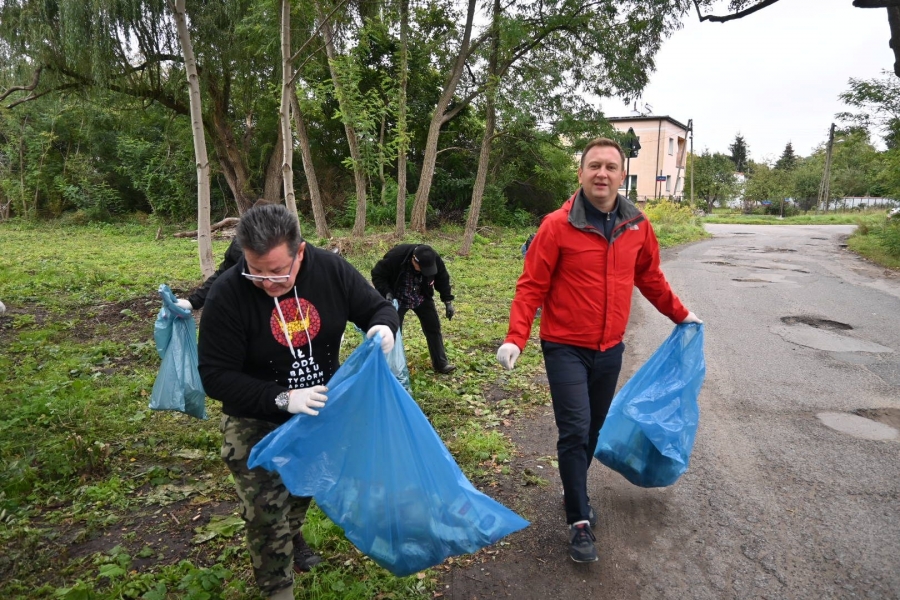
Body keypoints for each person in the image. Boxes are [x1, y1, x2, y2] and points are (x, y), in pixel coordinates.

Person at [495, 137, 702, 564]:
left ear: (622, 175)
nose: (602, 174)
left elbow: (650, 278)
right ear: (581, 173)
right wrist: (516, 337)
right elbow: (531, 286)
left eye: (610, 167)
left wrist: (682, 315)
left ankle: (574, 489)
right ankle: (578, 520)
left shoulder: (637, 226)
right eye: (594, 166)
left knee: (591, 430)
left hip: (610, 349)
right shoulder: (556, 226)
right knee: (574, 429)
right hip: (564, 346)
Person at [196, 204, 399, 600]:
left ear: (300, 251)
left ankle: (292, 535)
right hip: (255, 418)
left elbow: (376, 306)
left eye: (277, 272)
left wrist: (383, 326)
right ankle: (278, 587)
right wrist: (282, 398)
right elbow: (215, 376)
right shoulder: (229, 292)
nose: (267, 282)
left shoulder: (330, 271)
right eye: (256, 271)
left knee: (304, 486)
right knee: (265, 512)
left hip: (319, 411)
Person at [371, 244, 456, 374]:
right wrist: (386, 292)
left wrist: (448, 301)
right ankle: (391, 367)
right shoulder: (396, 257)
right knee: (393, 331)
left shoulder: (433, 258)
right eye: (422, 268)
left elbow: (442, 279)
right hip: (398, 298)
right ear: (413, 260)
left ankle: (441, 364)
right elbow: (377, 274)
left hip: (421, 296)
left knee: (433, 327)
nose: (424, 272)